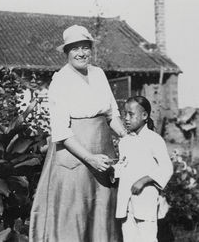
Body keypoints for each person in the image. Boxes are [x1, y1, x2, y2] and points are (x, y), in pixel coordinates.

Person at [29, 25, 126, 242]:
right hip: (75, 156)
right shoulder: (61, 80)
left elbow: (112, 114)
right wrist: (90, 158)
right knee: (76, 214)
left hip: (104, 153)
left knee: (102, 213)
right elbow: (61, 132)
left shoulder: (99, 74)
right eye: (75, 48)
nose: (81, 53)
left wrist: (128, 138)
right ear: (66, 52)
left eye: (85, 47)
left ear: (91, 50)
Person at [113, 96, 173, 242]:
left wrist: (144, 180)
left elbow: (167, 167)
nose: (126, 118)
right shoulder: (125, 142)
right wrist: (112, 171)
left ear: (144, 116)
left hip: (145, 200)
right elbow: (123, 165)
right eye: (124, 114)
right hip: (126, 202)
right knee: (129, 237)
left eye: (131, 114)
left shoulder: (154, 139)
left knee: (147, 237)